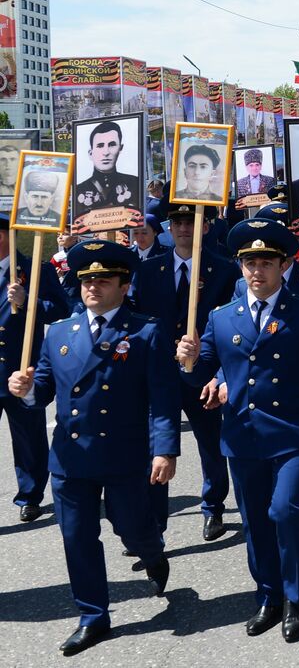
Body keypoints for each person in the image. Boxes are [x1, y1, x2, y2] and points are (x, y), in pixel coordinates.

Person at [175, 218, 299, 643]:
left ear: (284, 265)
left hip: (291, 432)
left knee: (286, 513)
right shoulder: (221, 317)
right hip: (243, 435)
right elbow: (201, 374)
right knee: (254, 522)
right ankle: (268, 597)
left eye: (266, 262)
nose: (257, 270)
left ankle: (295, 598)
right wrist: (188, 361)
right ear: (240, 266)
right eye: (250, 263)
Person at [8, 240, 177, 655]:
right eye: (86, 280)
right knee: (77, 537)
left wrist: (165, 449)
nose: (92, 287)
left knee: (133, 528)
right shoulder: (59, 332)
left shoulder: (145, 331)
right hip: (70, 457)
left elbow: (162, 398)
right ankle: (92, 616)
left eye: (103, 280)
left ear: (124, 285)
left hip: (123, 453)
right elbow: (44, 388)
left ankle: (152, 553)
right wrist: (26, 390)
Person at [131, 200, 239, 543]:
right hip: (159, 373)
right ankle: (154, 526)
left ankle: (213, 507)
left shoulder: (224, 270)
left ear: (205, 227)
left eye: (190, 222)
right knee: (156, 447)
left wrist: (218, 374)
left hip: (202, 373)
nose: (182, 228)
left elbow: (232, 327)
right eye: (176, 223)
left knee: (211, 443)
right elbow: (135, 318)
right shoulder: (149, 270)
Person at [0, 211, 72, 523]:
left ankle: (29, 496)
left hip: (20, 369)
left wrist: (28, 299)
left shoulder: (35, 269)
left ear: (3, 236)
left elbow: (61, 310)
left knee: (29, 439)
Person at [72, 121, 141, 215]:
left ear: (120, 149)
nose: (106, 152)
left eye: (112, 144)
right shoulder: (78, 190)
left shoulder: (135, 183)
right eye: (100, 146)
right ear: (90, 153)